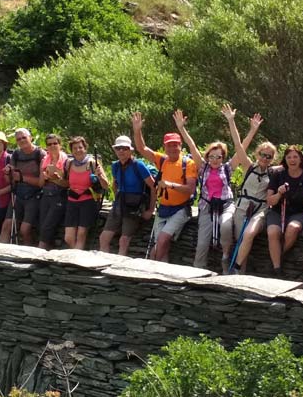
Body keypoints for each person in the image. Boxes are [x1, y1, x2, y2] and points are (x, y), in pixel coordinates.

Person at [172, 107, 254, 273]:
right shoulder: (203, 167)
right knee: (202, 242)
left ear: (223, 158)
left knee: (225, 226)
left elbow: (241, 146)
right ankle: (198, 269)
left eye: (219, 157)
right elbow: (192, 145)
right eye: (212, 156)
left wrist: (238, 124)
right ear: (207, 156)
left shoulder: (227, 168)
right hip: (207, 206)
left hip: (225, 205)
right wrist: (181, 128)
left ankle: (225, 257)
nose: (215, 160)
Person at [131, 111, 198, 262]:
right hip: (163, 209)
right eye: (169, 145)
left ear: (180, 146)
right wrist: (137, 130)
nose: (172, 148)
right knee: (163, 245)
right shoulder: (162, 160)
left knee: (161, 241)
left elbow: (190, 189)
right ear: (165, 147)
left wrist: (170, 185)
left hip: (181, 209)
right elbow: (142, 148)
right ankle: (163, 280)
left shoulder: (188, 163)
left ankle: (151, 269)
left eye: (175, 145)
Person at [225, 108, 274, 274]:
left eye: (269, 156)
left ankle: (237, 272)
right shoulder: (249, 166)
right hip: (242, 207)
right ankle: (239, 274)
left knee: (248, 234)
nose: (265, 158)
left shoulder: (274, 172)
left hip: (259, 210)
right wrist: (232, 121)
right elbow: (238, 145)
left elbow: (296, 161)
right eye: (263, 154)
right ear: (257, 154)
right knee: (239, 240)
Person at [264, 146, 303, 277]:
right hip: (277, 210)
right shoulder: (278, 175)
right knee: (273, 232)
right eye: (289, 157)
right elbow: (269, 201)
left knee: (293, 228)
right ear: (285, 159)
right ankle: (277, 269)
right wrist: (279, 194)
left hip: (299, 212)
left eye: (295, 157)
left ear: (301, 159)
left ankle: (279, 257)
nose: (292, 160)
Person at [101, 135, 156, 256]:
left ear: (130, 150)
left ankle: (118, 269)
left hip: (135, 206)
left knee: (124, 240)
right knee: (104, 238)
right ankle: (104, 266)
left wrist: (151, 209)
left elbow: (153, 187)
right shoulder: (115, 166)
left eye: (124, 148)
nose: (121, 151)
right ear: (115, 150)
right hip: (120, 204)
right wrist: (117, 200)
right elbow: (115, 185)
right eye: (118, 148)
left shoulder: (139, 165)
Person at [63, 136, 108, 250]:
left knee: (81, 235)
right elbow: (66, 182)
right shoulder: (69, 164)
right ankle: (76, 256)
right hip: (72, 201)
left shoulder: (93, 163)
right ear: (71, 150)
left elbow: (106, 185)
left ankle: (75, 261)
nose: (78, 150)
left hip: (88, 202)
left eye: (80, 147)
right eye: (75, 148)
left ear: (85, 148)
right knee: (68, 237)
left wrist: (100, 176)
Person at [2, 128, 46, 246]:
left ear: (30, 137)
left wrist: (22, 178)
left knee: (25, 230)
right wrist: (7, 173)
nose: (21, 141)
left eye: (24, 137)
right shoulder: (16, 154)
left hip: (34, 196)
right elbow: (10, 180)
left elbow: (42, 183)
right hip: (18, 194)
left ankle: (28, 256)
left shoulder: (40, 154)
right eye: (18, 139)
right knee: (7, 226)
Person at [36, 134, 69, 250]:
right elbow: (40, 183)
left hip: (59, 196)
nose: (53, 146)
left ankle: (40, 252)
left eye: (55, 143)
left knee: (47, 227)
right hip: (46, 195)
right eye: (49, 144)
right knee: (42, 226)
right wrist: (45, 177)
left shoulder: (66, 161)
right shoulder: (45, 160)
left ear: (60, 145)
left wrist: (55, 179)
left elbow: (68, 184)